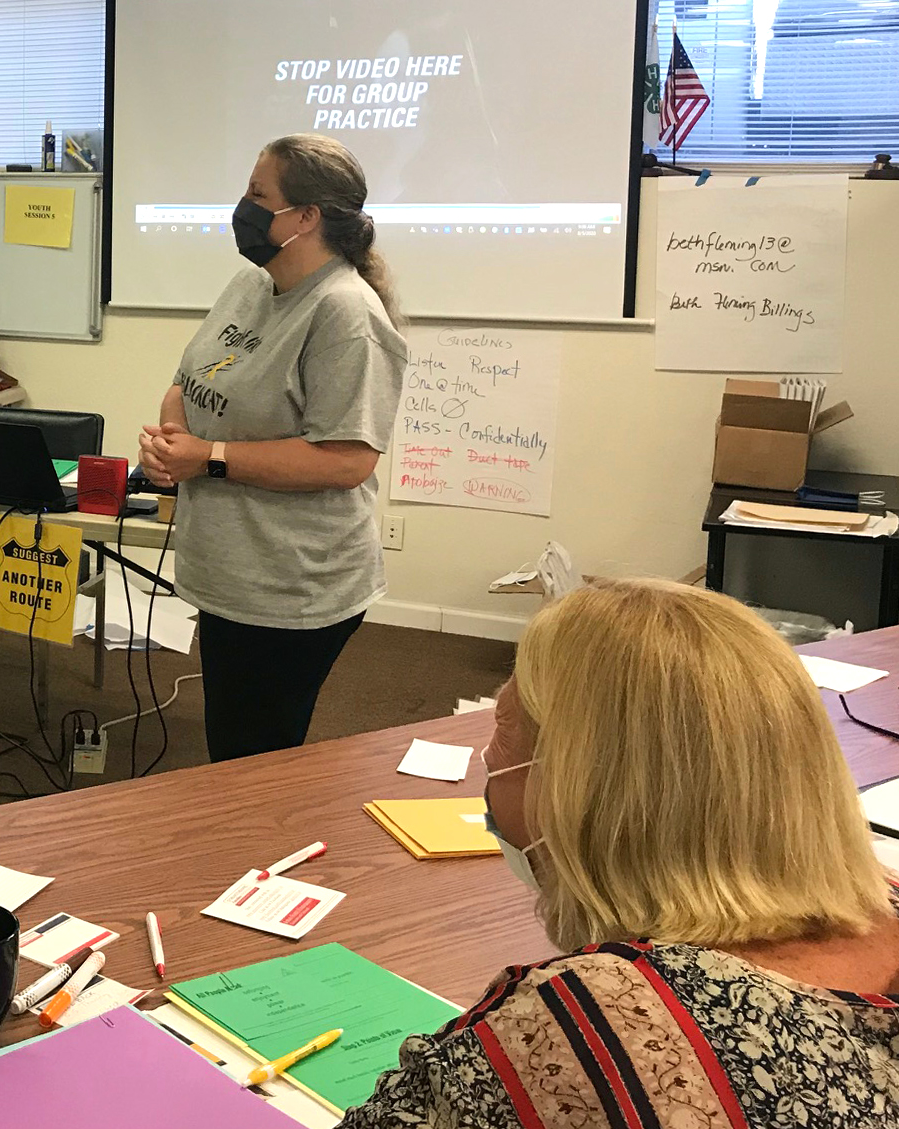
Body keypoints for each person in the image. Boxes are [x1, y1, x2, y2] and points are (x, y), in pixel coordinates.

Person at [339, 579, 899, 1128]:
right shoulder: (884, 899)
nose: (488, 759)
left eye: (504, 734)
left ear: (586, 789)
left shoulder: (593, 1026)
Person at [140, 134, 405, 762]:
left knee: (252, 762)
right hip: (229, 573)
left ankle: (262, 862)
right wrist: (173, 439)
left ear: (306, 217)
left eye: (258, 195)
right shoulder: (250, 284)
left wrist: (208, 457)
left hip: (293, 588)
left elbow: (347, 461)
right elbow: (189, 380)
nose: (242, 207)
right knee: (234, 747)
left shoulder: (346, 315)